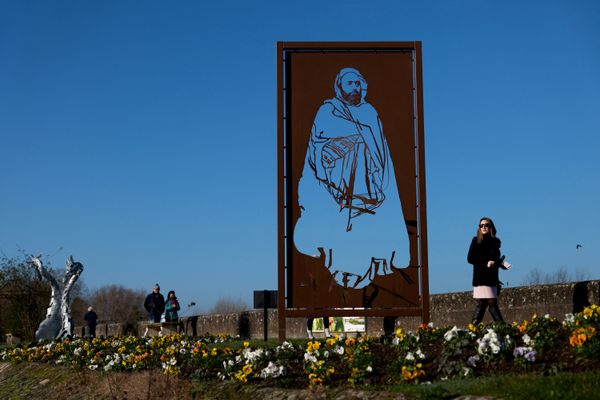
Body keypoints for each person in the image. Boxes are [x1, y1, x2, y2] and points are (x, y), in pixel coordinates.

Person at [294, 67, 409, 289]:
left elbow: (379, 146)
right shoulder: (328, 110)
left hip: (369, 182)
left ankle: (374, 258)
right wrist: (353, 138)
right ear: (339, 86)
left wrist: (364, 143)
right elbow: (319, 144)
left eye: (358, 84)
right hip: (335, 184)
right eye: (350, 84)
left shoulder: (369, 111)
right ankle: (341, 261)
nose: (355, 88)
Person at [467, 217, 506, 324]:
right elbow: (470, 258)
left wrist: (500, 264)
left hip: (492, 278)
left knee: (483, 303)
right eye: (481, 225)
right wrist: (486, 262)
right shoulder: (476, 240)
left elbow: (496, 258)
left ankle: (472, 329)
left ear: (491, 227)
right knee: (490, 303)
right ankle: (502, 327)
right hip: (481, 277)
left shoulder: (496, 242)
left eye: (486, 225)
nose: (483, 227)